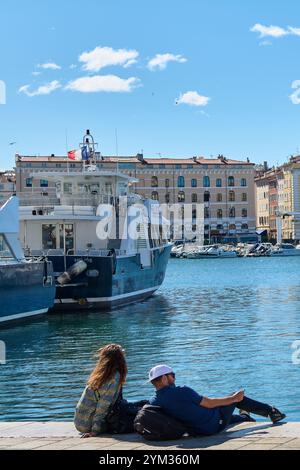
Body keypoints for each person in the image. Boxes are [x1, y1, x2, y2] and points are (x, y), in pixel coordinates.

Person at [148, 364, 286, 436]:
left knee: (229, 416)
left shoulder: (154, 401)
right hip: (212, 426)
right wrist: (233, 398)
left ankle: (245, 418)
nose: (175, 378)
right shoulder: (182, 391)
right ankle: (272, 412)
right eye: (172, 375)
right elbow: (209, 403)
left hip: (196, 431)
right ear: (165, 378)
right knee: (236, 398)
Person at [74, 344, 127, 437]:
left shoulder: (99, 374)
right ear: (119, 359)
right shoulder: (114, 376)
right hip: (88, 425)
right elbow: (103, 406)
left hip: (79, 422)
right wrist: (95, 431)